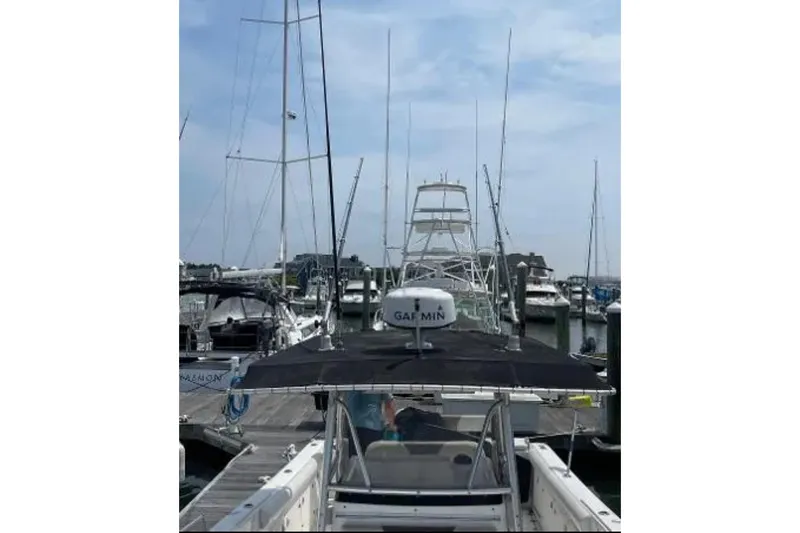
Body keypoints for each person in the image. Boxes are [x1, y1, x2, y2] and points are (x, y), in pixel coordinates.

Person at [343, 391, 397, 457]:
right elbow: (389, 405)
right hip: (373, 428)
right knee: (374, 460)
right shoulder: (379, 381)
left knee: (354, 460)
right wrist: (392, 425)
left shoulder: (348, 381)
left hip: (352, 427)